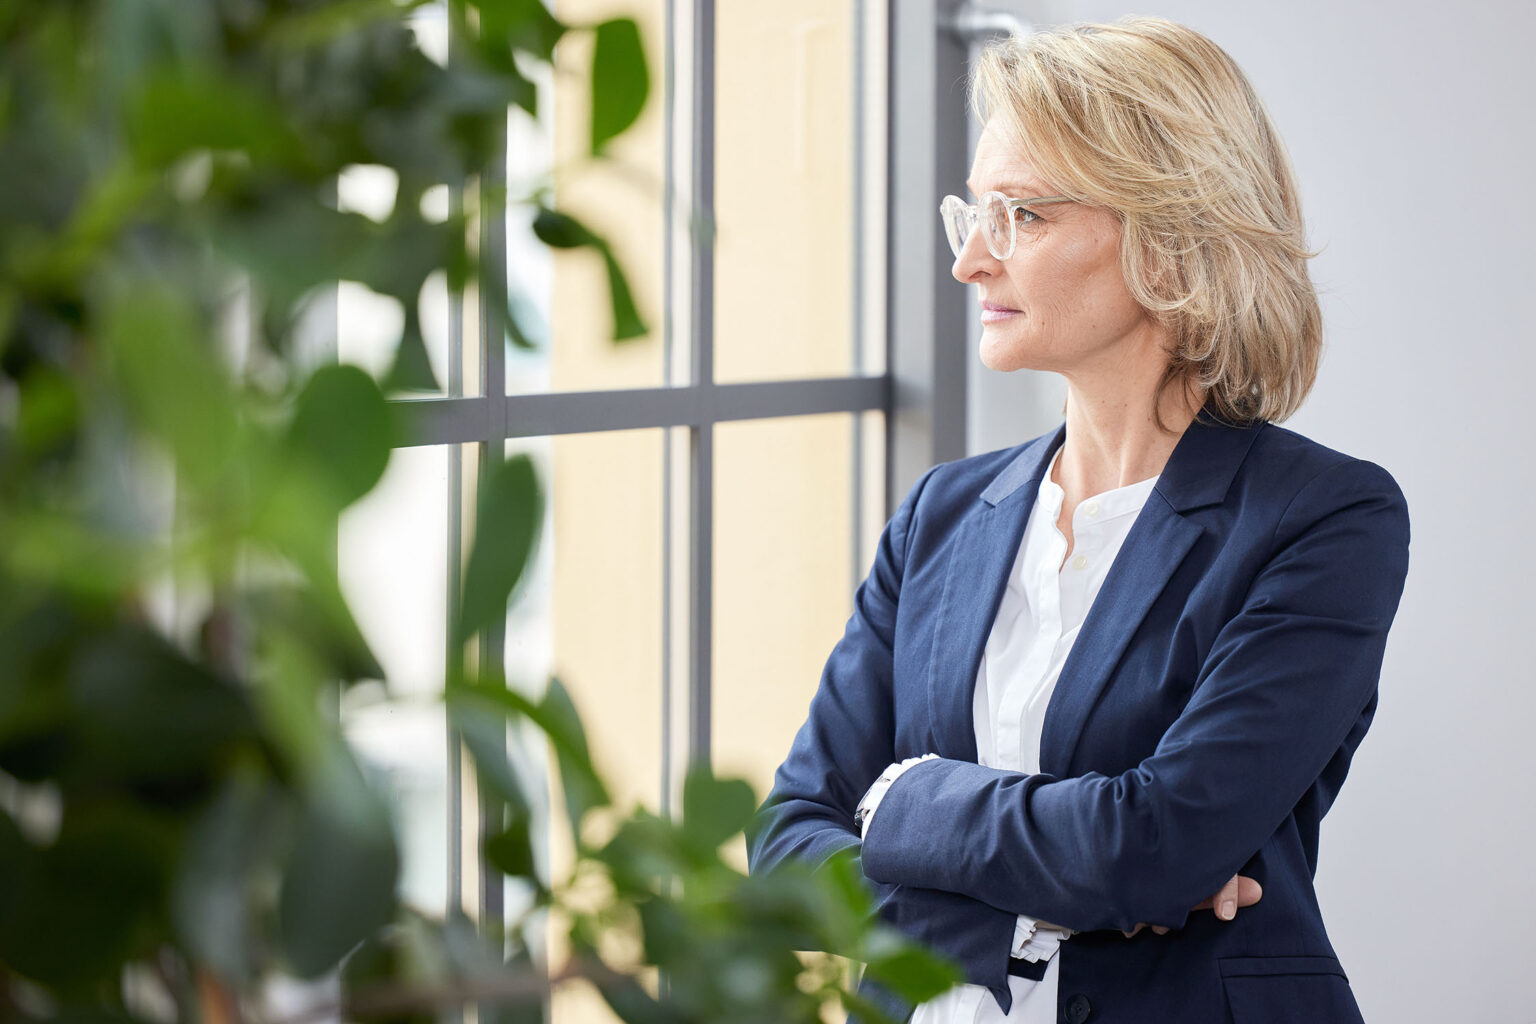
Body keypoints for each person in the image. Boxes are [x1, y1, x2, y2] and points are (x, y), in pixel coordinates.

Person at [745, 16, 1410, 1024]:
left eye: (1020, 215)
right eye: (972, 213)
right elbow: (788, 844)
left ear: (1170, 237)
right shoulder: (943, 514)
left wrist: (902, 800)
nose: (972, 260)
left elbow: (1155, 846)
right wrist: (1009, 922)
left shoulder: (1323, 520)